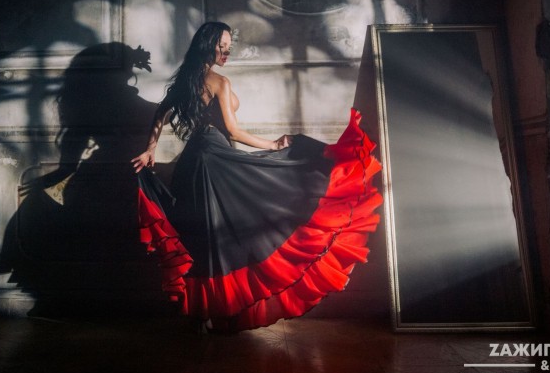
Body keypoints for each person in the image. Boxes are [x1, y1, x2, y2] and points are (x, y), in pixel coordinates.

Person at [132, 21, 382, 332]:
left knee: (202, 238)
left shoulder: (187, 80)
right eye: (221, 46)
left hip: (191, 163)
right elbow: (234, 131)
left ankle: (202, 315)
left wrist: (150, 149)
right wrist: (273, 145)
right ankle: (219, 312)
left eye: (229, 46)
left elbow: (161, 112)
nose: (227, 52)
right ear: (207, 46)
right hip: (215, 162)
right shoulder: (219, 82)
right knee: (226, 235)